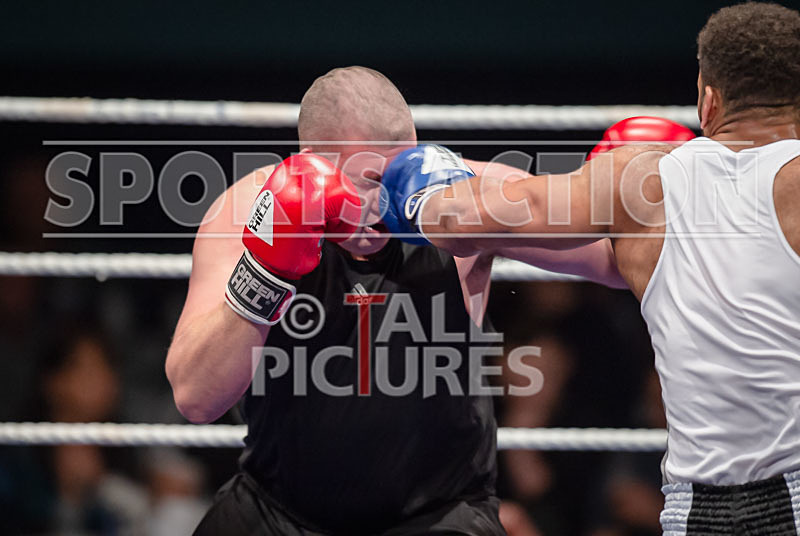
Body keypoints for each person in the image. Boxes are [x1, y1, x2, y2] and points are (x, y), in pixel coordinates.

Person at [380, 3, 800, 533]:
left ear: (707, 99)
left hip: (696, 511)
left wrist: (417, 185)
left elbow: (483, 215)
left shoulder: (641, 183)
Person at [166, 66, 625, 535]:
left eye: (398, 176)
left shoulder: (463, 197)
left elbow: (613, 264)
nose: (383, 203)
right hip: (278, 510)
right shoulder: (247, 212)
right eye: (364, 181)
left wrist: (630, 196)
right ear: (311, 164)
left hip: (441, 516)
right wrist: (267, 269)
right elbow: (195, 399)